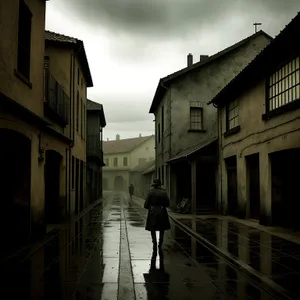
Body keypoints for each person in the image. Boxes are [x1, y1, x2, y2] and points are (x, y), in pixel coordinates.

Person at [144, 178, 171, 257]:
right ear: (160, 185)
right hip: (162, 212)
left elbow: (145, 205)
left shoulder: (150, 192)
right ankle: (160, 244)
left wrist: (151, 207)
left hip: (152, 212)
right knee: (162, 229)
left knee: (152, 228)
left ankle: (154, 243)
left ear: (154, 185)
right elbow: (168, 204)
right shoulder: (164, 192)